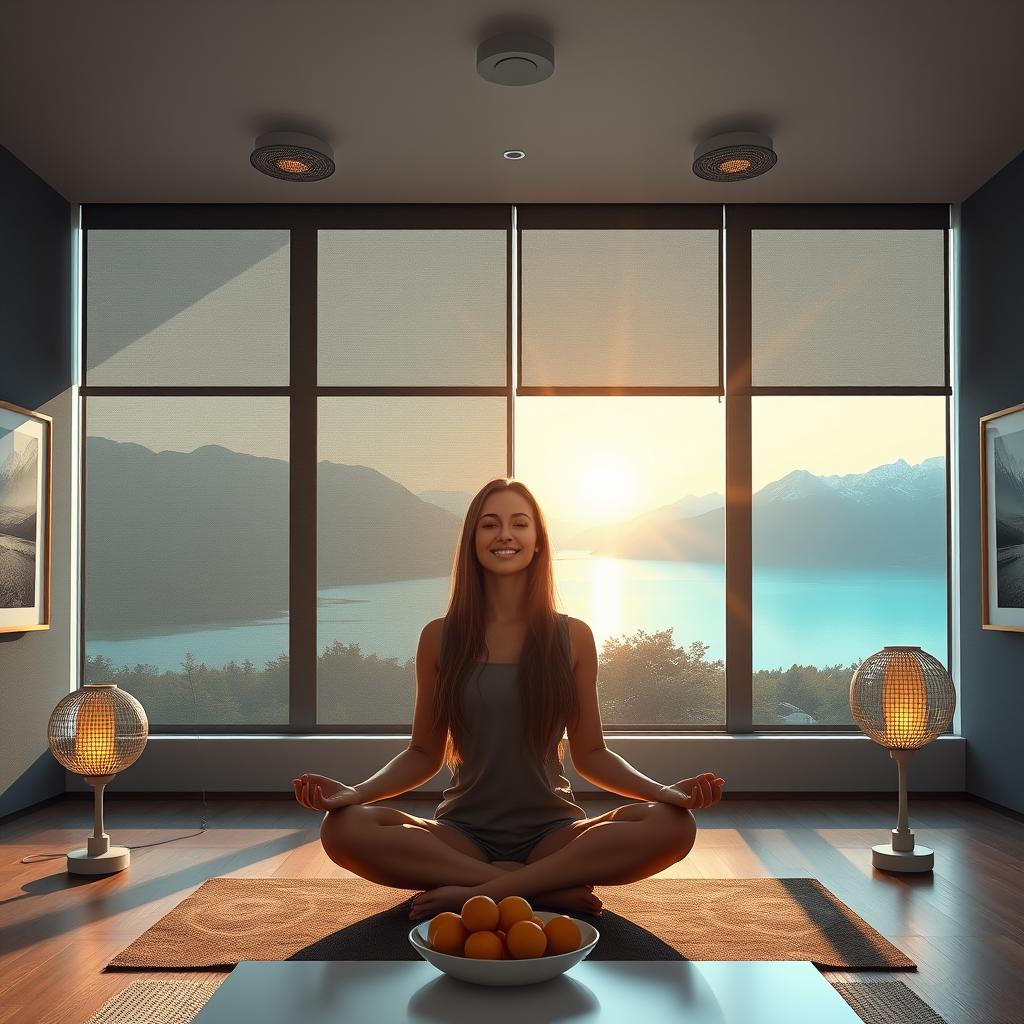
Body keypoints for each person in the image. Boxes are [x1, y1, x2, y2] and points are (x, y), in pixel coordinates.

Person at [293, 478, 725, 921]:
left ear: (538, 542)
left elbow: (592, 754)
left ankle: (480, 888)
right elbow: (423, 753)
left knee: (673, 825)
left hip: (554, 834)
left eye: (519, 524)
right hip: (461, 833)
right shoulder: (438, 637)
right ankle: (540, 887)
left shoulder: (573, 636)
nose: (505, 535)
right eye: (489, 524)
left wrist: (665, 792)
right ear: (472, 541)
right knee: (343, 829)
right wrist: (355, 793)